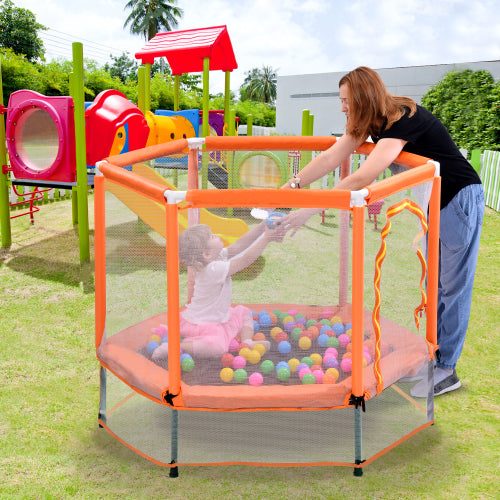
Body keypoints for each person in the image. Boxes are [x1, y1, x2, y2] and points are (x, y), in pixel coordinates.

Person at [280, 66, 484, 397]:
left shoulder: (402, 120)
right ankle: (434, 359)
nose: (342, 107)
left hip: (458, 200)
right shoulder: (373, 124)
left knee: (452, 288)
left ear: (363, 98)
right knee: (435, 286)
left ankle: (446, 369)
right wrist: (295, 185)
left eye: (346, 100)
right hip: (437, 203)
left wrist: (308, 209)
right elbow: (333, 155)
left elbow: (363, 177)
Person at [152, 220, 288, 361]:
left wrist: (261, 227)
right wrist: (267, 238)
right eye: (211, 236)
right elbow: (245, 260)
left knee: (243, 312)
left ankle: (247, 343)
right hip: (202, 322)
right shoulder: (212, 269)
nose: (215, 235)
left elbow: (239, 245)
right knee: (217, 347)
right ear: (206, 254)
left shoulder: (215, 258)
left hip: (218, 317)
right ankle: (176, 347)